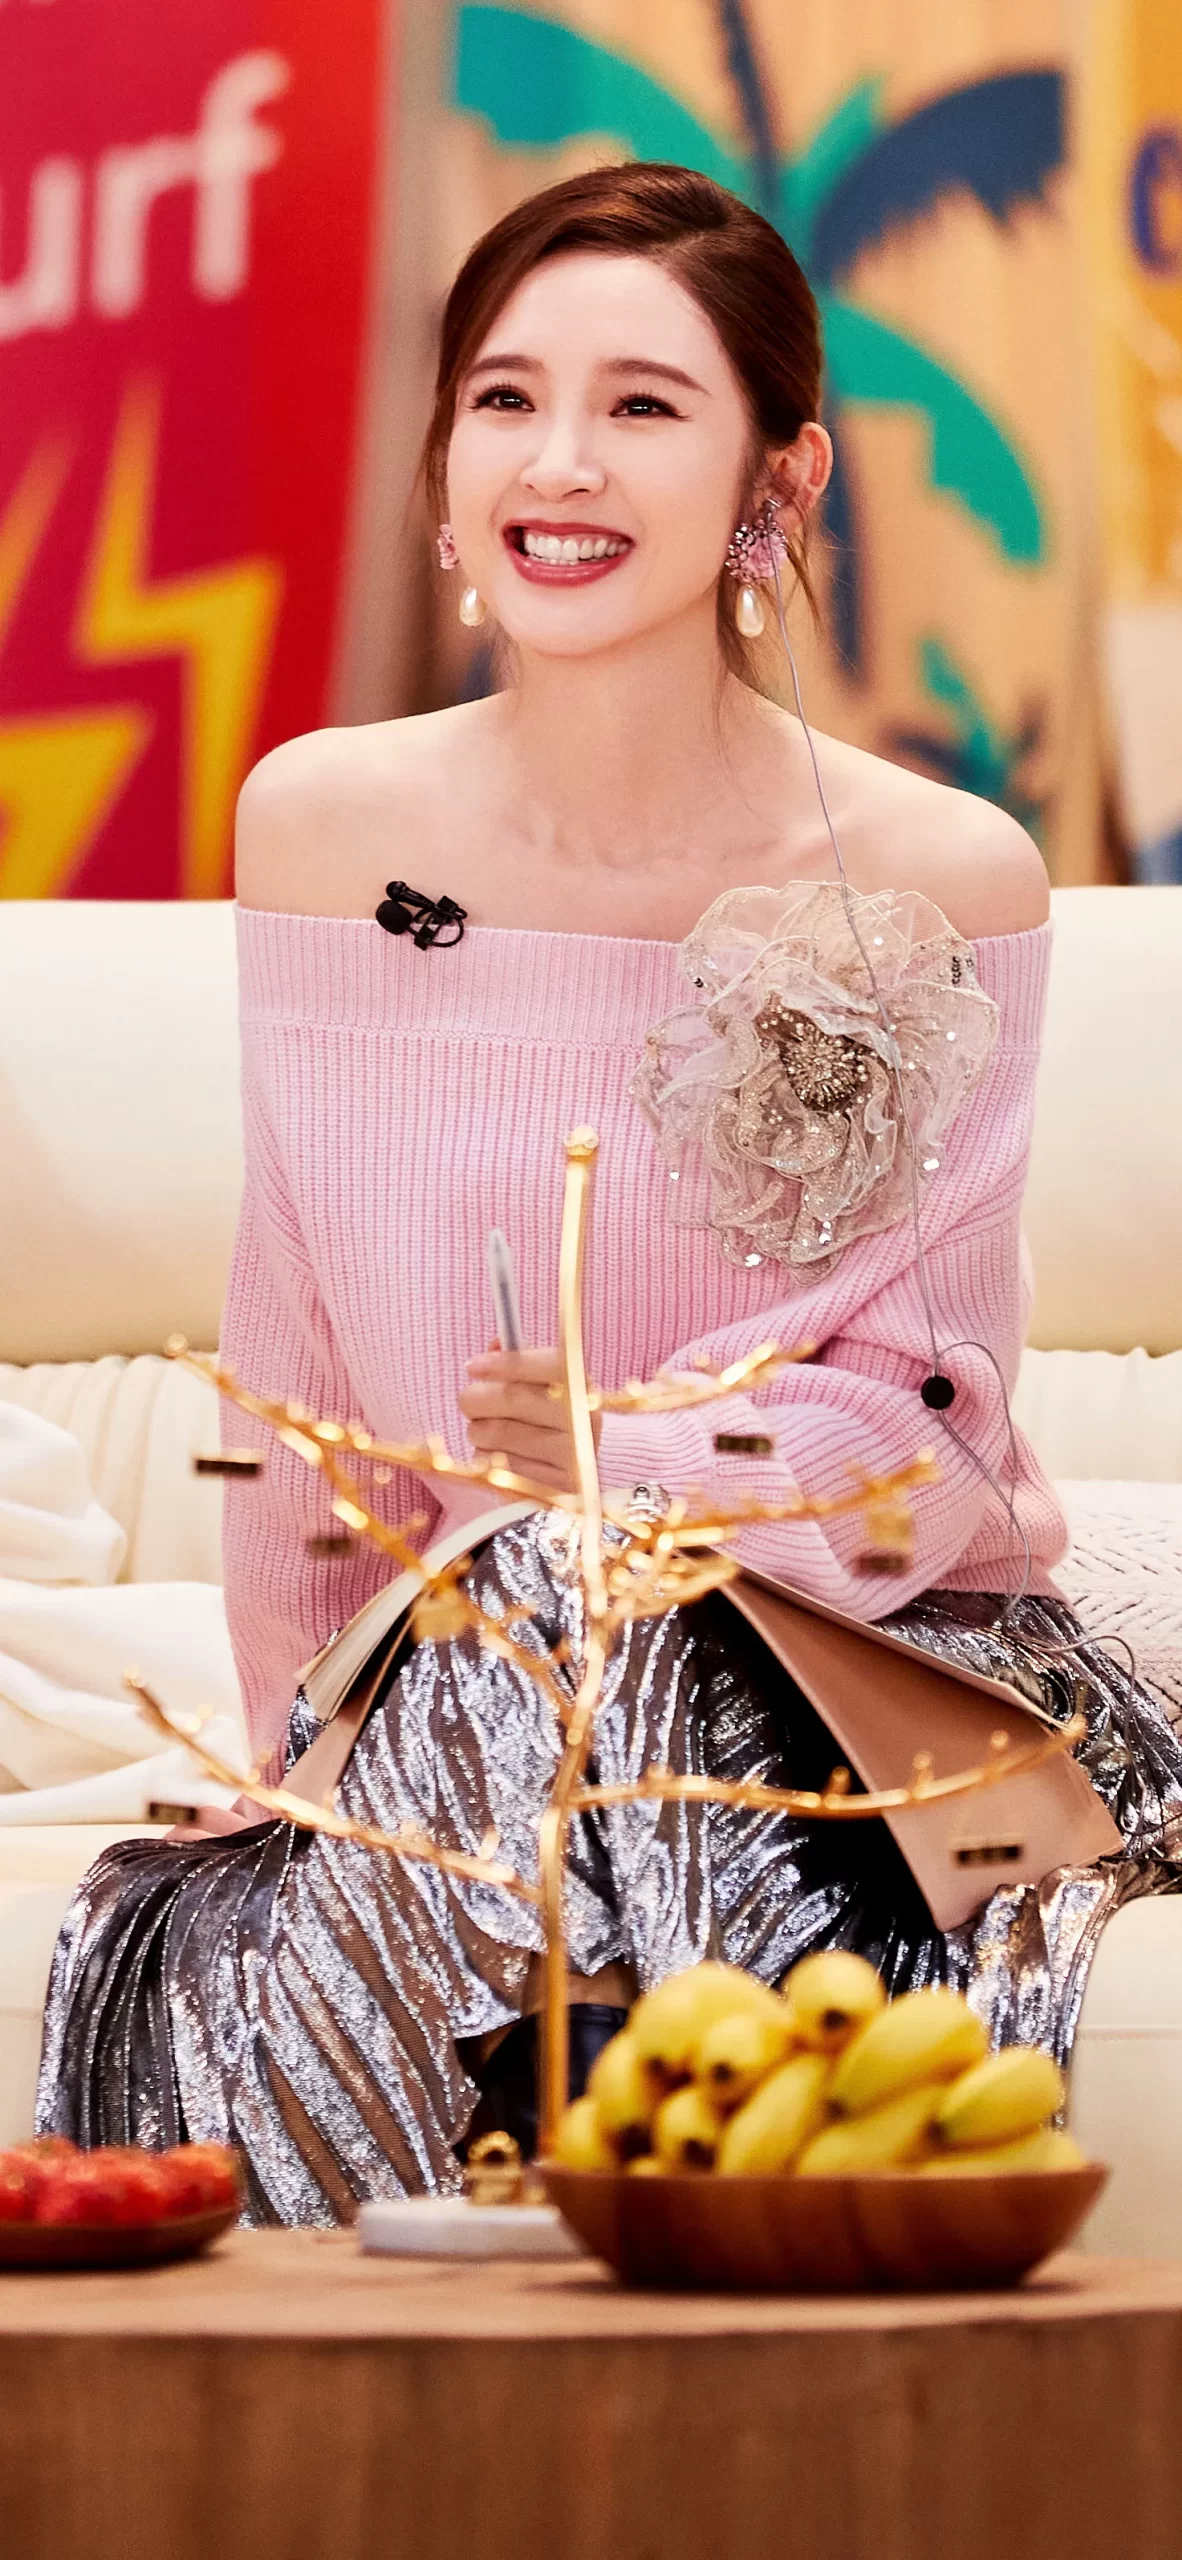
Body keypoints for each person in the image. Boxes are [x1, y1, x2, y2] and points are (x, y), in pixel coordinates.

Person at [37, 165, 1182, 2223]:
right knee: (524, 1605)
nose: (557, 463)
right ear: (444, 454)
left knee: (590, 1582)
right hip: (467, 1685)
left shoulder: (936, 878)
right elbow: (295, 1361)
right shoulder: (321, 827)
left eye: (643, 405)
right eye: (505, 397)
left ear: (780, 473)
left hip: (867, 1673)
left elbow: (930, 1439)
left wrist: (621, 1460)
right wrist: (307, 1753)